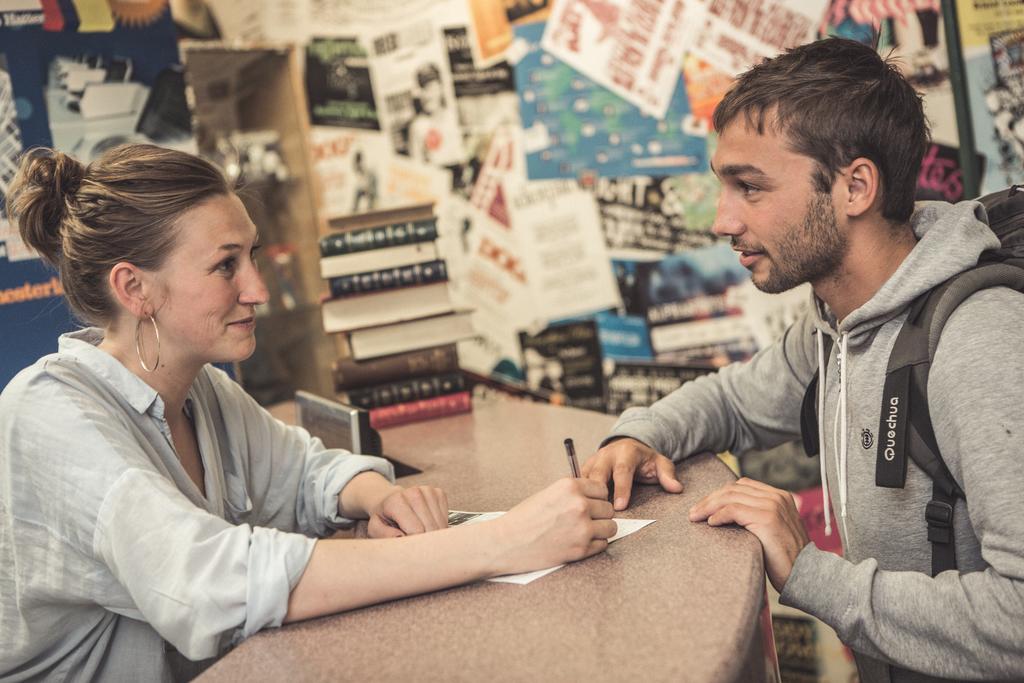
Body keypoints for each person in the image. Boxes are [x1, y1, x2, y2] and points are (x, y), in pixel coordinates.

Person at [0, 144, 617, 681]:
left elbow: (305, 471)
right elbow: (210, 586)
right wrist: (501, 542)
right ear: (134, 288)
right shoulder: (49, 414)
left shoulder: (202, 390)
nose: (258, 289)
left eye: (252, 256)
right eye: (225, 266)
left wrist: (377, 496)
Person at [583, 38, 1024, 682]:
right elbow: (733, 400)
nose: (722, 221)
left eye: (749, 188)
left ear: (854, 187)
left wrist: (811, 573)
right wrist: (639, 434)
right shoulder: (838, 321)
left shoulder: (976, 340)